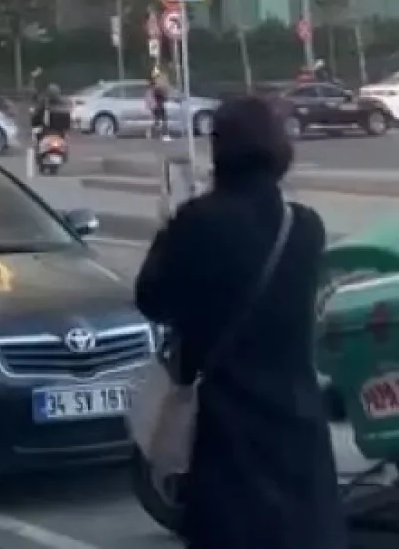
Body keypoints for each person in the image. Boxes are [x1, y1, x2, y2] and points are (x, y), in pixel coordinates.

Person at [134, 95, 345, 549]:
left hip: (227, 437)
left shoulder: (197, 222)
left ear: (219, 148)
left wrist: (169, 231)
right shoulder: (306, 227)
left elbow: (150, 299)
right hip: (298, 433)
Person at [148, 69, 170, 140]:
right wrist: (164, 96)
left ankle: (154, 133)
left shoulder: (155, 86)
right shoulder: (156, 87)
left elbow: (161, 95)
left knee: (158, 121)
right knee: (163, 120)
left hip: (158, 106)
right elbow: (160, 96)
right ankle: (164, 135)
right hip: (158, 106)